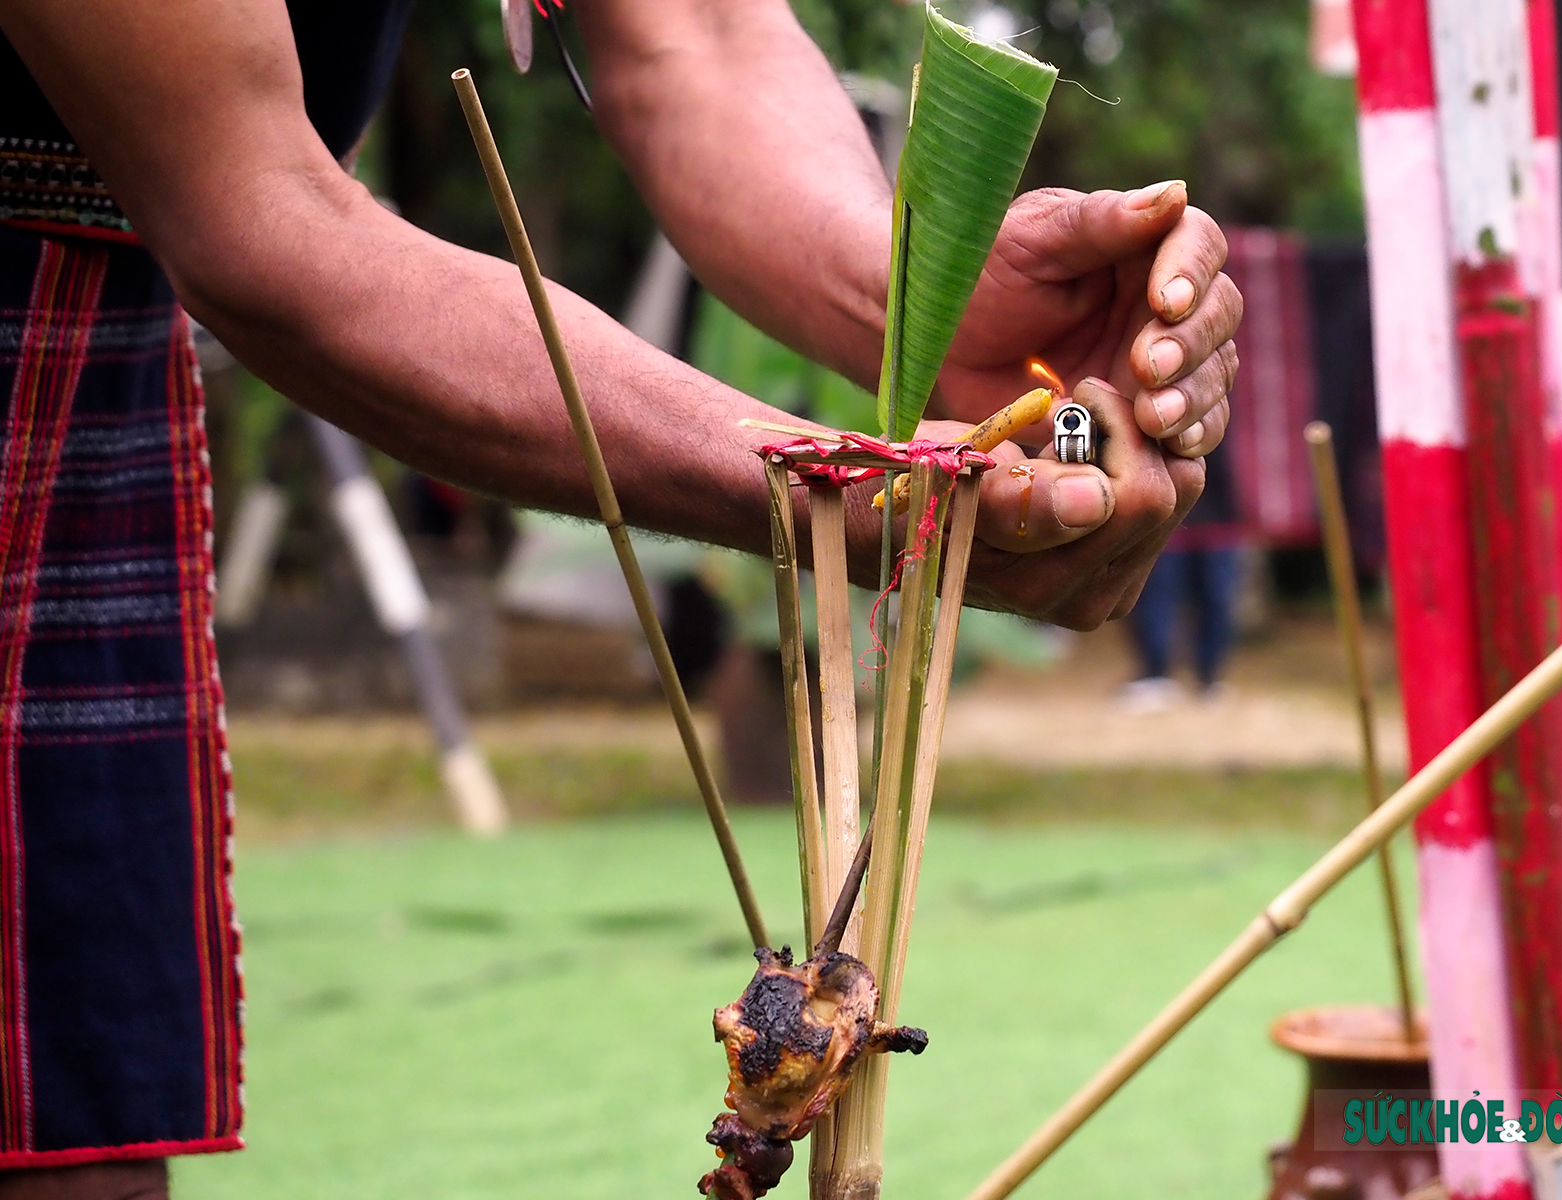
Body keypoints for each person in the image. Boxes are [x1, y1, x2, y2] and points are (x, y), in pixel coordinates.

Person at [0, 0, 1240, 1193]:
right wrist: (822, 482)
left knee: (88, 1130)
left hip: (109, 354)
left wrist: (923, 304)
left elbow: (690, 34)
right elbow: (260, 216)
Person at [1121, 439, 1247, 710]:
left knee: (1217, 597)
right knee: (1155, 595)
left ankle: (1209, 676)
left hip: (1220, 514)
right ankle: (1155, 673)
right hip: (1167, 512)